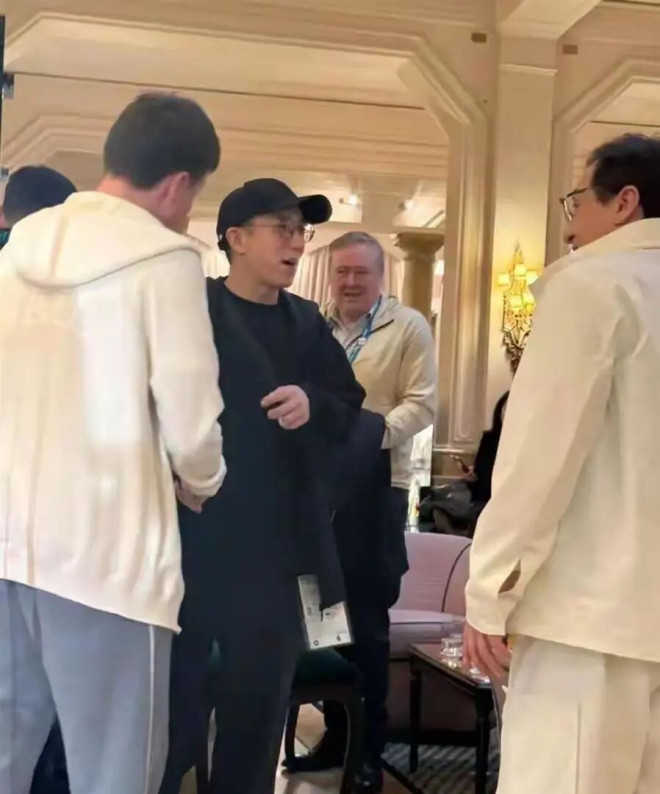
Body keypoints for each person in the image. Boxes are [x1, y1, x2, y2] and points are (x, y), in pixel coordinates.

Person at [0, 93, 226, 794]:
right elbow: (192, 419)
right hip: (108, 560)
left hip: (8, 543)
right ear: (178, 184)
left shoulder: (19, 247)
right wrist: (204, 479)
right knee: (115, 773)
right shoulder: (164, 260)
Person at [464, 133, 660, 794]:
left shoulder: (592, 286)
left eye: (578, 202)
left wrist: (491, 589)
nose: (570, 226)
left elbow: (539, 460)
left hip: (587, 617)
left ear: (625, 201)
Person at [159, 178, 366, 794]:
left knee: (255, 724)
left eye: (301, 231)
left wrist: (312, 401)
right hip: (192, 548)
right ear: (237, 238)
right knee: (173, 720)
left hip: (277, 556)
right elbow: (149, 401)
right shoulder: (193, 309)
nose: (296, 243)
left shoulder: (305, 322)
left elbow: (348, 405)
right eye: (282, 229)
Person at [289, 231, 437, 792]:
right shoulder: (313, 327)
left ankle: (370, 751)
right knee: (324, 620)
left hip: (375, 489)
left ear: (381, 276)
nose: (350, 282)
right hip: (315, 490)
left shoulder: (408, 327)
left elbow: (422, 403)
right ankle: (335, 736)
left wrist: (367, 437)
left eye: (361, 272)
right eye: (342, 271)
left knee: (369, 628)